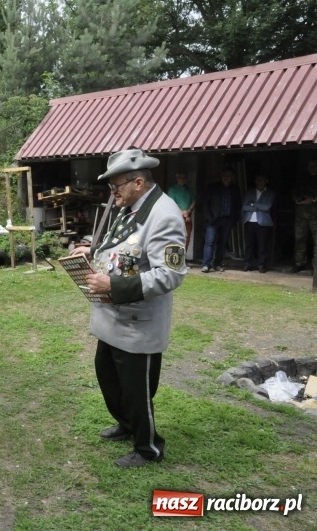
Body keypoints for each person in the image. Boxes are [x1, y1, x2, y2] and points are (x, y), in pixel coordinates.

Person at [71, 148, 187, 468]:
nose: (113, 192)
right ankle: (127, 424)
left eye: (117, 186)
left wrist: (115, 285)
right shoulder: (131, 207)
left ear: (138, 182)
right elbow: (122, 247)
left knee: (136, 389)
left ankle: (149, 447)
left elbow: (171, 274)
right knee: (108, 376)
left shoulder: (164, 215)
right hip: (112, 314)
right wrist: (90, 250)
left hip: (139, 320)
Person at [201, 168, 241, 273]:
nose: (226, 177)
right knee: (209, 242)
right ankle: (206, 264)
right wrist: (209, 217)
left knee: (222, 243)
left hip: (227, 220)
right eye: (225, 175)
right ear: (221, 176)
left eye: (229, 175)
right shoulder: (213, 187)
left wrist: (234, 219)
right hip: (213, 219)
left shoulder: (235, 189)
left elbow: (238, 205)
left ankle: (217, 264)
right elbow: (205, 203)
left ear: (232, 177)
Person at [241, 174, 276, 273]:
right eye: (258, 180)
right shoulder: (249, 193)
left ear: (266, 181)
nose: (260, 182)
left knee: (262, 245)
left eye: (262, 180)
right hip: (249, 221)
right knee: (249, 245)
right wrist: (259, 206)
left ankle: (261, 265)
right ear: (255, 181)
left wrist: (253, 204)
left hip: (263, 223)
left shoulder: (270, 193)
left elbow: (267, 207)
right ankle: (247, 264)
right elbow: (244, 207)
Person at [290, 158, 317, 274]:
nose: (311, 167)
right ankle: (299, 263)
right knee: (299, 238)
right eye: (310, 165)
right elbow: (294, 192)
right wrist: (297, 199)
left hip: (315, 212)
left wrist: (313, 199)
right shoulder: (302, 179)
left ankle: (315, 265)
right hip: (301, 213)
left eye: (314, 165)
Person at [167, 171, 196, 250]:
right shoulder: (172, 189)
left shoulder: (189, 190)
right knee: (175, 238)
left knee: (187, 238)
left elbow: (194, 201)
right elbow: (172, 203)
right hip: (176, 218)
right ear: (177, 179)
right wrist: (183, 213)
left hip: (187, 217)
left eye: (184, 178)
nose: (182, 179)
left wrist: (189, 211)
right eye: (180, 178)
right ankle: (175, 259)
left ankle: (183, 259)